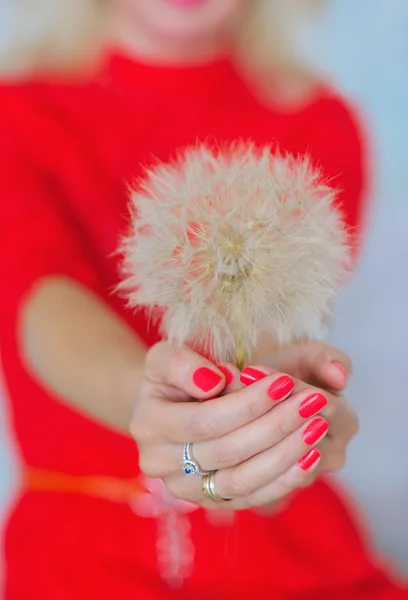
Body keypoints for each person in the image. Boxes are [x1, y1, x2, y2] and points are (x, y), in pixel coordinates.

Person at [0, 0, 406, 598]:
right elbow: (38, 303)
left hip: (289, 555)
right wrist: (146, 397)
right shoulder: (16, 116)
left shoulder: (318, 125)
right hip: (78, 558)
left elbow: (269, 337)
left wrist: (271, 428)